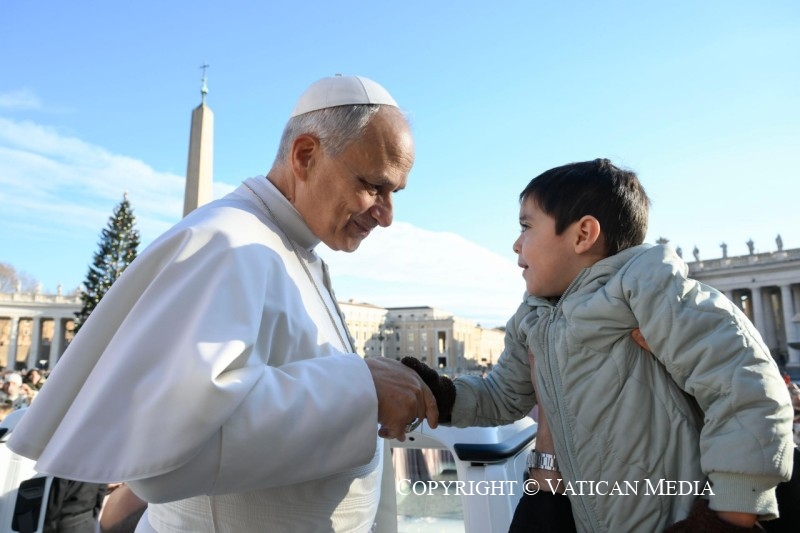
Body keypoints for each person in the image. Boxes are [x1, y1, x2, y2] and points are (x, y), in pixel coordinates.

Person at [7, 74, 438, 532]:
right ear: (305, 156)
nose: (386, 216)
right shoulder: (223, 241)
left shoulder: (293, 248)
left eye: (394, 194)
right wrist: (362, 387)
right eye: (374, 186)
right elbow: (168, 445)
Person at [405, 159, 794, 531]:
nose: (515, 244)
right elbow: (502, 395)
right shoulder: (531, 319)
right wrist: (441, 396)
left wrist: (728, 517)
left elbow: (744, 383)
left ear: (583, 235)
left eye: (526, 226)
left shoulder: (649, 288)